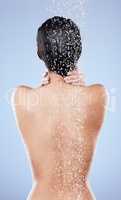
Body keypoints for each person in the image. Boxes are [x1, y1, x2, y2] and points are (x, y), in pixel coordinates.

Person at [11, 16, 108, 200]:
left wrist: (42, 88)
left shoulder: (21, 96)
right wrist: (81, 88)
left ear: (40, 52)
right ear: (77, 50)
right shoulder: (98, 94)